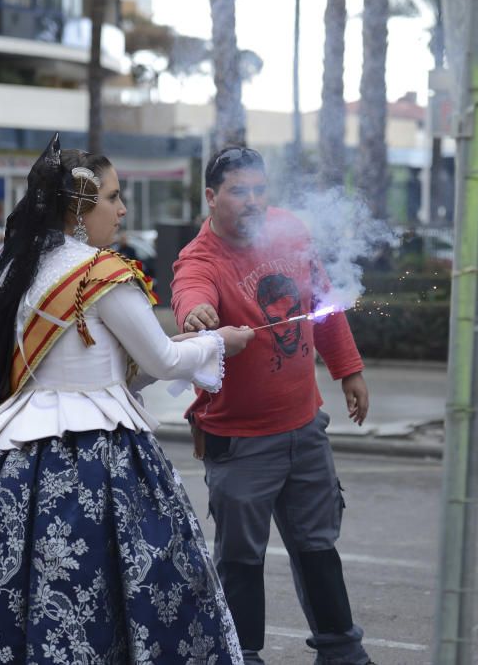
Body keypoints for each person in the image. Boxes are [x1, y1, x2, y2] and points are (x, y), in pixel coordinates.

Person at [0, 135, 254, 663]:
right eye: (111, 197)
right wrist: (219, 342)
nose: (122, 208)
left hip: (7, 449)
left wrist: (187, 347)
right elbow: (162, 364)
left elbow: (113, 373)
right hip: (98, 456)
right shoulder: (105, 276)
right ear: (79, 209)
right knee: (119, 589)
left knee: (4, 589)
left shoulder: (16, 270)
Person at [171, 146, 375, 665]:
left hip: (306, 427)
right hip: (240, 442)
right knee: (240, 558)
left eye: (260, 189)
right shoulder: (202, 258)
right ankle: (243, 657)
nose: (253, 201)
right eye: (239, 191)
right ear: (212, 197)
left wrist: (349, 370)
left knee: (318, 547)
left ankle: (341, 653)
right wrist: (196, 312)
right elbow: (189, 291)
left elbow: (323, 305)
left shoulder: (289, 232)